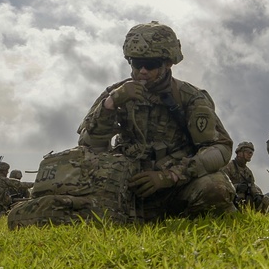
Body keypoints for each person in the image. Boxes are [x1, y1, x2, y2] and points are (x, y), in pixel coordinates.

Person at [77, 21, 236, 220]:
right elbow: (88, 145)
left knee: (216, 188)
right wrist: (109, 105)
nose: (142, 71)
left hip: (175, 186)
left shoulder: (189, 97)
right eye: (136, 63)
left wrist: (169, 176)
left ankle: (180, 217)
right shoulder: (115, 94)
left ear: (167, 63)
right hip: (127, 185)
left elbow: (220, 148)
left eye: (151, 64)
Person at [223, 141, 267, 211]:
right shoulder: (228, 167)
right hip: (232, 198)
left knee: (264, 199)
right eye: (248, 152)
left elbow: (252, 185)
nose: (250, 154)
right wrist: (237, 187)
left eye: (251, 153)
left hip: (246, 197)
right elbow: (222, 186)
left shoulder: (248, 172)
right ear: (239, 153)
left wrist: (256, 195)